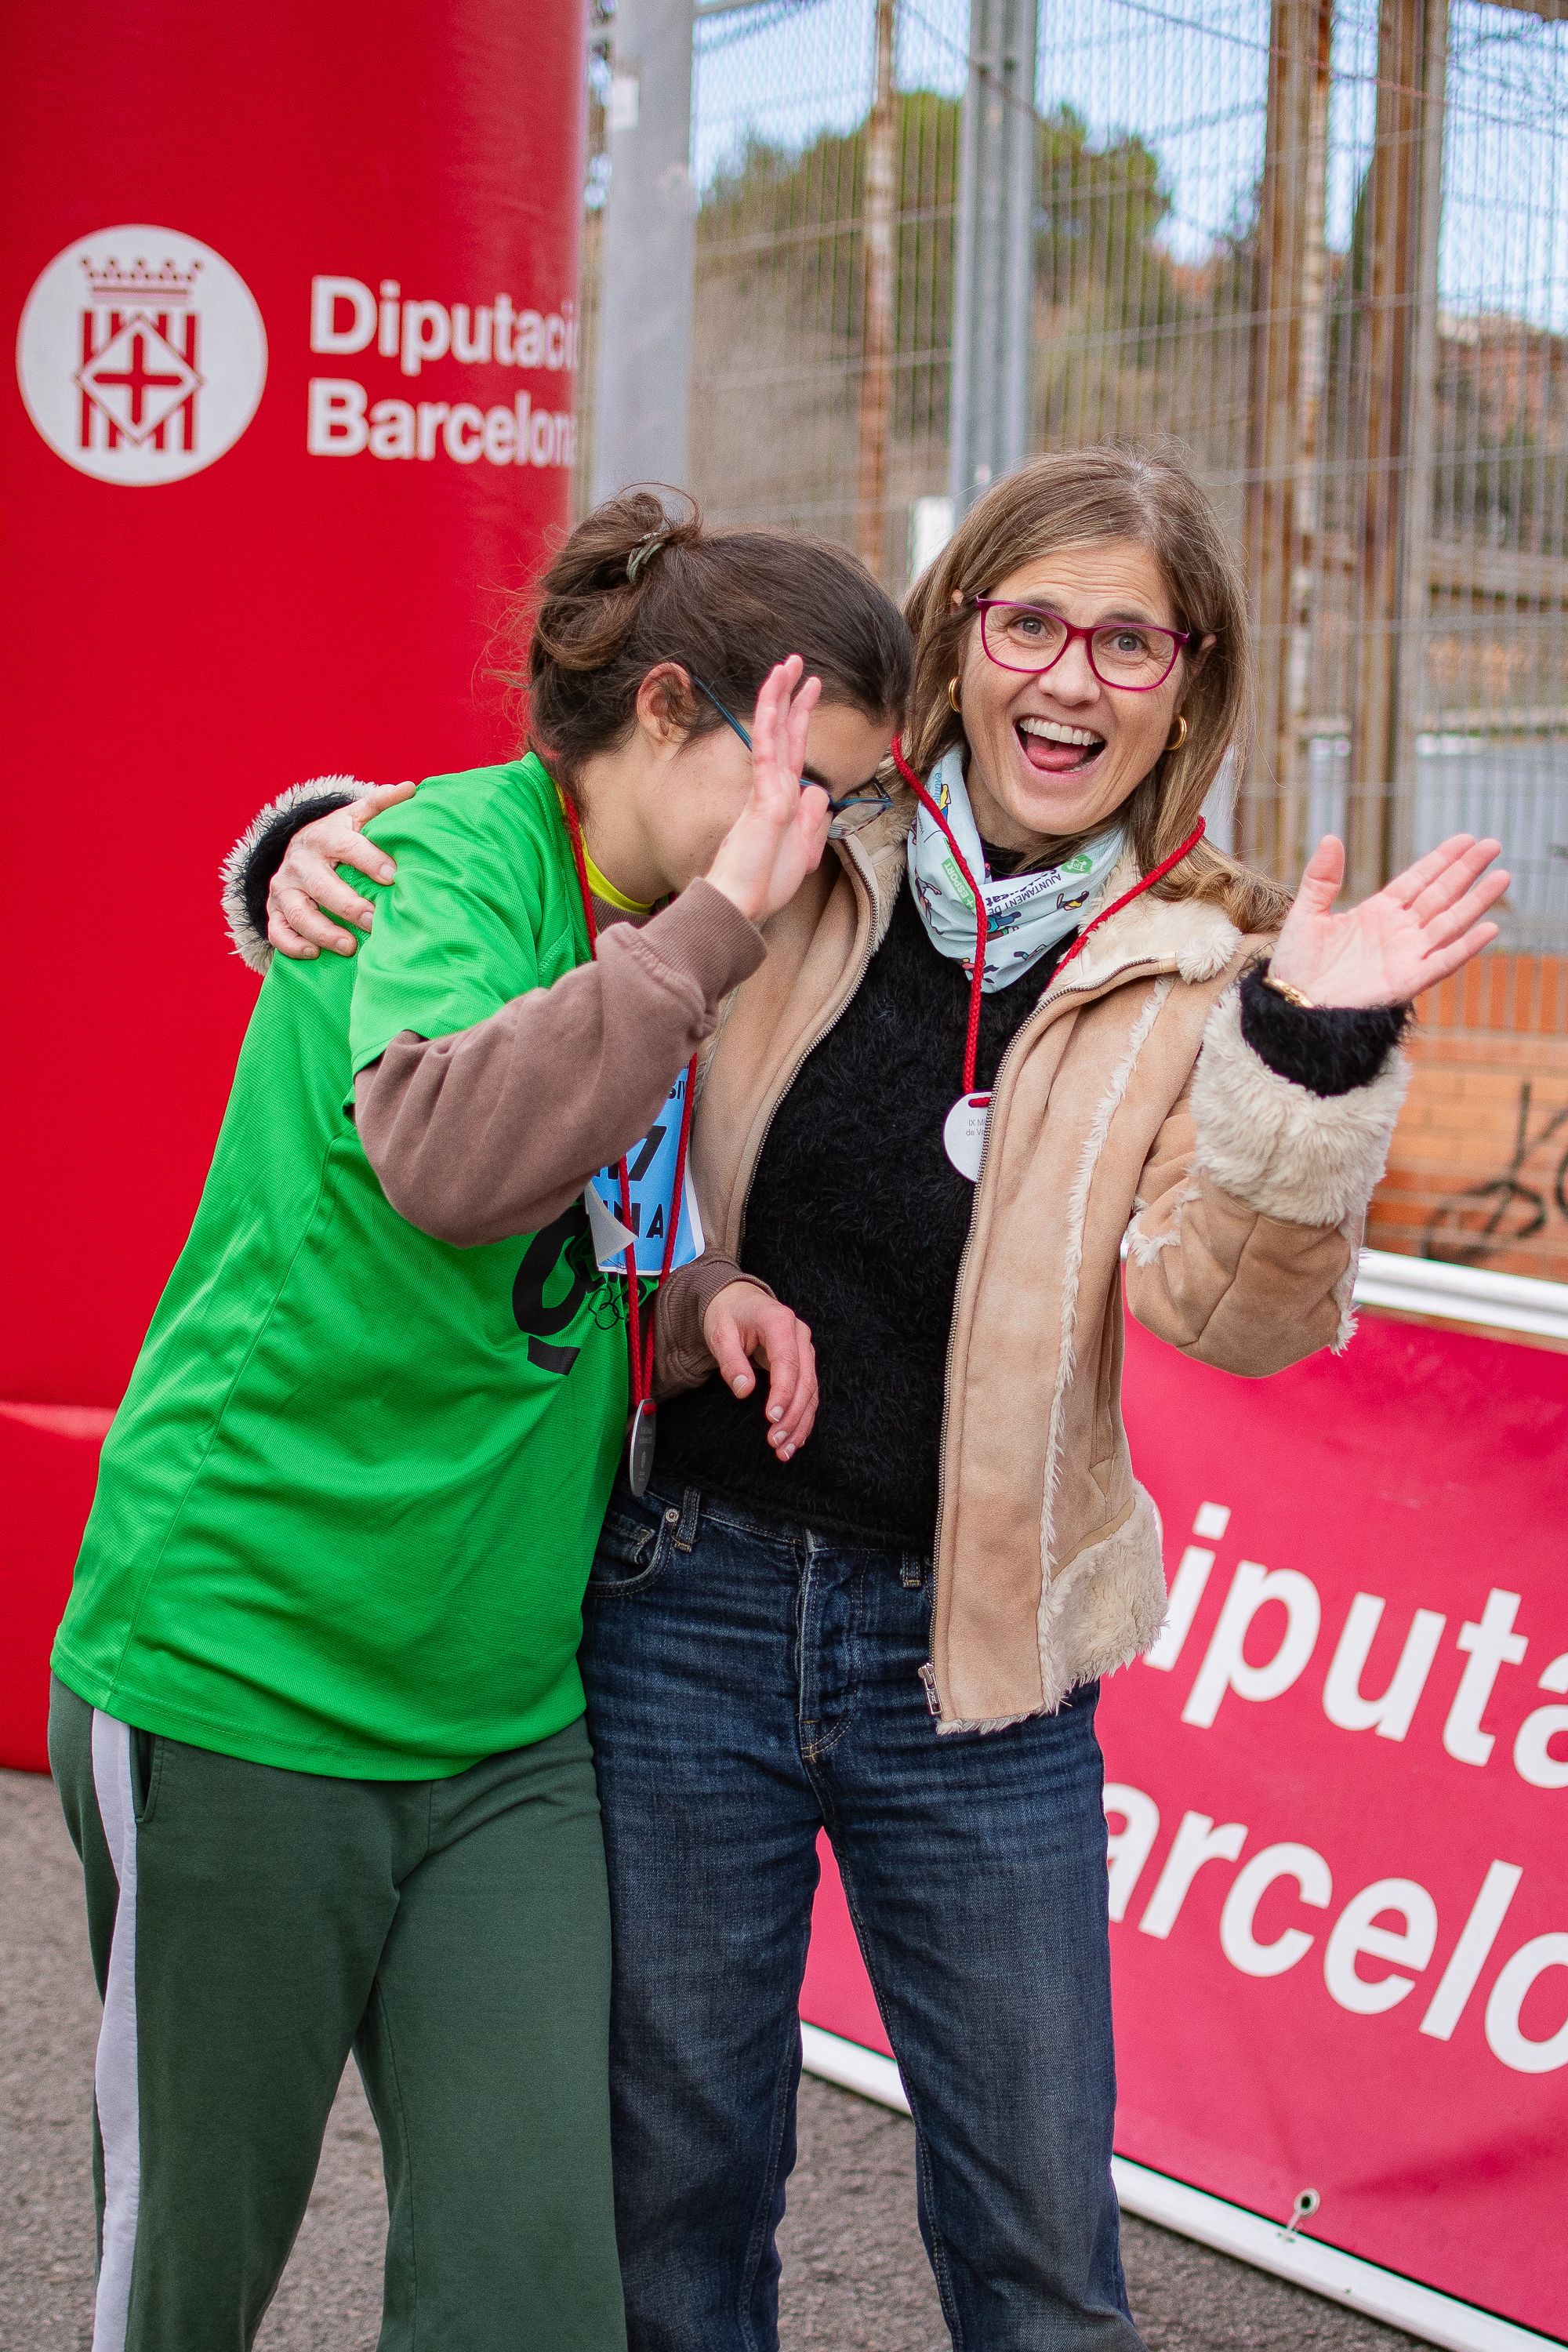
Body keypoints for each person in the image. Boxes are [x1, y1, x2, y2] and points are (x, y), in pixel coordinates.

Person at [227, 445, 1507, 2352]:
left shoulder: (1204, 964)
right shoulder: (804, 833)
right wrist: (325, 844)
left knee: (1034, 2240)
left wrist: (1308, 1055)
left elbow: (1228, 1313)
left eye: (1130, 642)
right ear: (962, 635)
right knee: (674, 2205)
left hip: (980, 1668)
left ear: (1191, 677)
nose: (1072, 681)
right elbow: (568, 861)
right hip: (685, 1612)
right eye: (1031, 624)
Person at [49, 488, 909, 2352]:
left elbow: (553, 1239)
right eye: (802, 791)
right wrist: (717, 926)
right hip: (244, 1670)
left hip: (502, 1719)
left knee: (532, 2291)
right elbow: (445, 1154)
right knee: (187, 2276)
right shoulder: (439, 856)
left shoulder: (648, 919)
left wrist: (694, 1309)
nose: (817, 845)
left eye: (838, 809)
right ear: (672, 713)